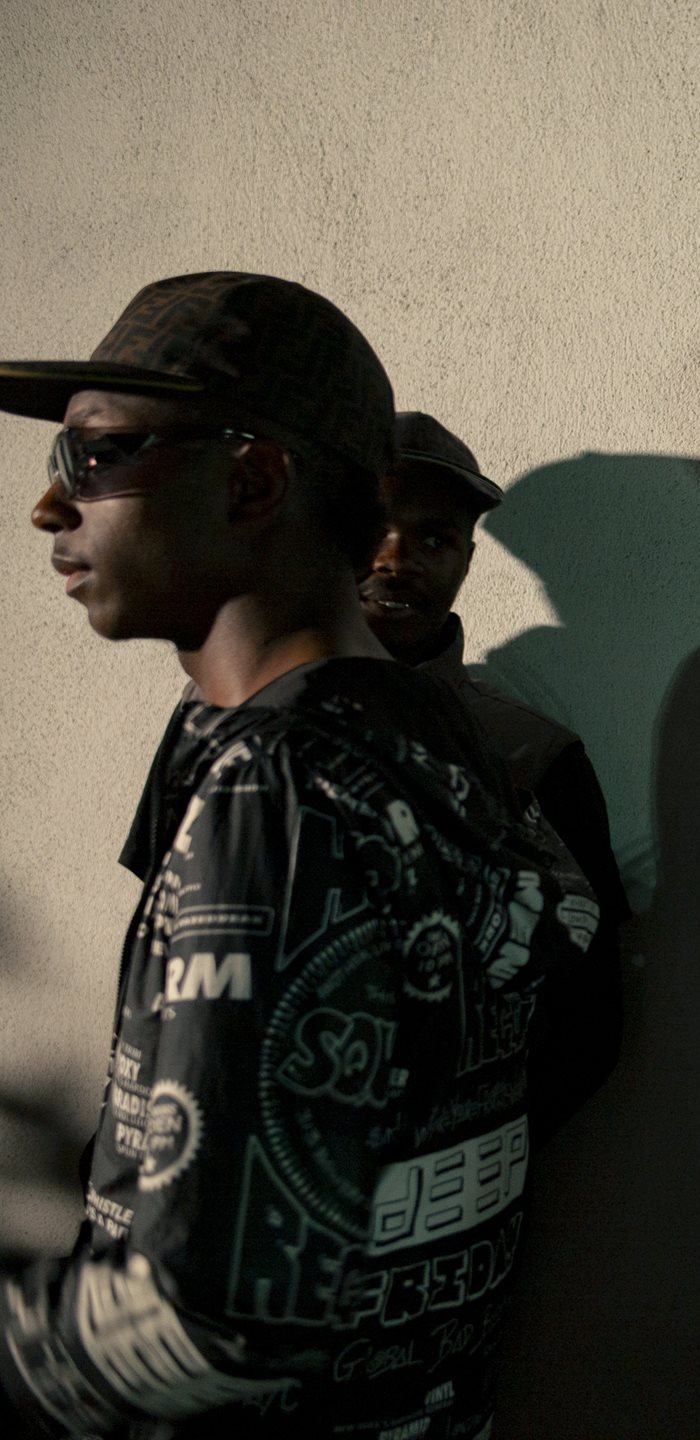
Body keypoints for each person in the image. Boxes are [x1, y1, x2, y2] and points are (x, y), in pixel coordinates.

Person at [0, 271, 603, 1438]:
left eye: (96, 456)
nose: (48, 505)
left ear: (254, 479)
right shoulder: (433, 736)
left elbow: (211, 1319)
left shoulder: (274, 789)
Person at [360, 410, 627, 1137]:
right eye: (372, 525)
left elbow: (594, 1009)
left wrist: (469, 1151)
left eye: (436, 538)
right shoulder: (229, 720)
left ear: (468, 561)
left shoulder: (529, 754)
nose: (396, 558)